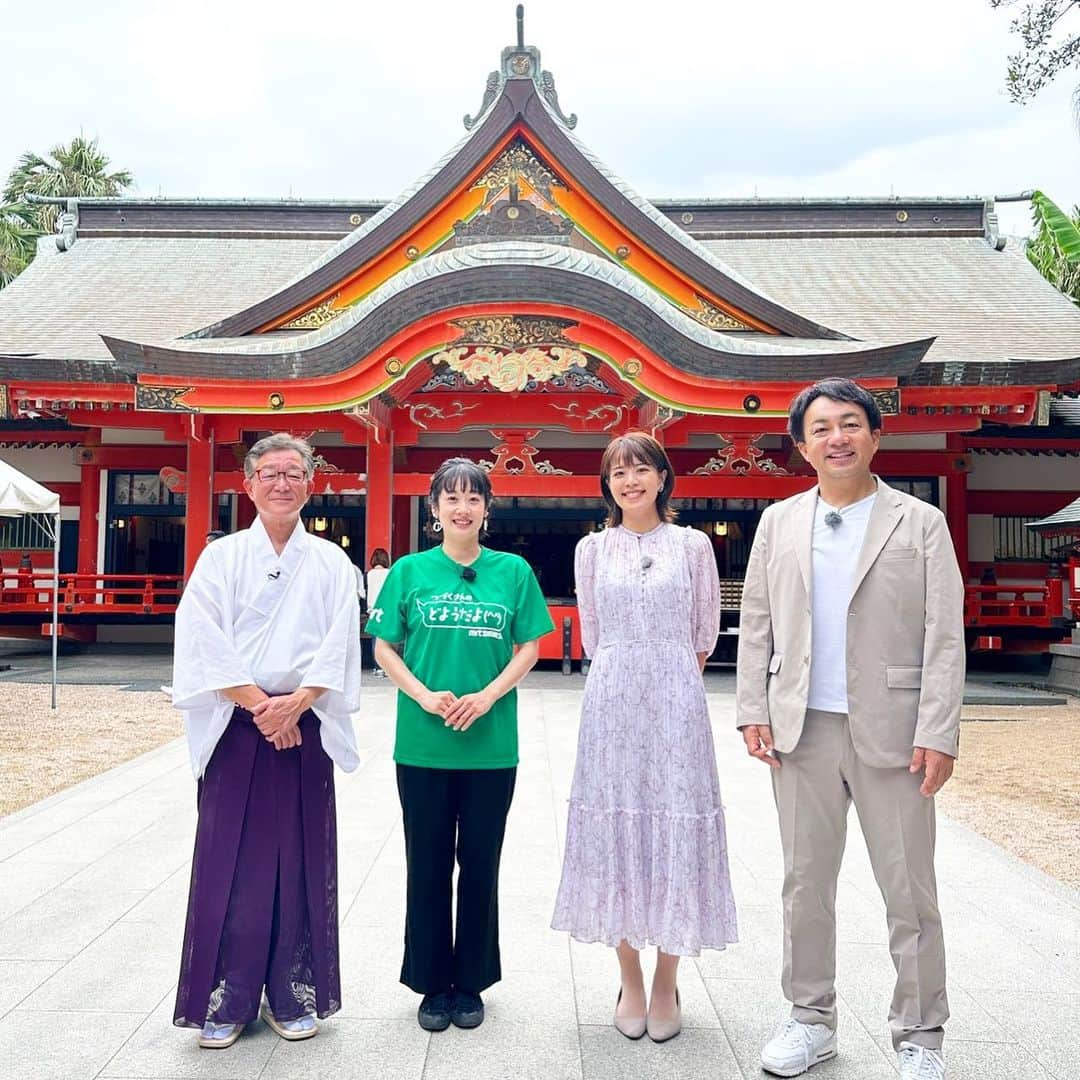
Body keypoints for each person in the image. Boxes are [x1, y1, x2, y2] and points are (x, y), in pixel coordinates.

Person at [736, 379, 964, 1080]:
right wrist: (754, 708)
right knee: (804, 884)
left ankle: (920, 1035)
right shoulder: (779, 522)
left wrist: (940, 729)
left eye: (851, 424)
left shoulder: (917, 522)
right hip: (802, 727)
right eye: (823, 428)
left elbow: (943, 633)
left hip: (894, 729)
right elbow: (757, 623)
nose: (838, 438)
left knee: (908, 890)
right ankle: (810, 1019)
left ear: (874, 435)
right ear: (802, 445)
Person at [171, 433, 362, 1049]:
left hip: (301, 725)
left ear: (312, 483)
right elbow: (203, 636)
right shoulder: (221, 558)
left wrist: (297, 703)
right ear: (248, 484)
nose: (282, 483)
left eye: (294, 473)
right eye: (270, 472)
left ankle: (290, 992)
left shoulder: (333, 561)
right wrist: (258, 706)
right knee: (230, 863)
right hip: (237, 723)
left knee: (300, 859)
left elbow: (339, 641)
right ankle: (225, 998)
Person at [551, 432, 738, 1043]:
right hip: (611, 698)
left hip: (675, 694)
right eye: (618, 472)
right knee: (616, 829)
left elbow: (704, 632)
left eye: (641, 469)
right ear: (607, 485)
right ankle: (630, 976)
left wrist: (664, 673)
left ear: (663, 477)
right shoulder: (591, 550)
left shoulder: (692, 547)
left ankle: (667, 980)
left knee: (674, 822)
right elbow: (593, 632)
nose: (630, 481)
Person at [367, 458, 554, 1033]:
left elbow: (529, 647)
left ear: (487, 509)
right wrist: (424, 695)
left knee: (480, 865)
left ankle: (470, 982)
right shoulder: (408, 571)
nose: (462, 508)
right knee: (426, 864)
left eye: (474, 498)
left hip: (490, 747)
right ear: (434, 509)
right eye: (451, 498)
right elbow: (384, 648)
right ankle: (430, 983)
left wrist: (487, 696)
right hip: (423, 745)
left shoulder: (513, 571)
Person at [366, 548, 391, 676]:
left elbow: (369, 592)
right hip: (386, 607)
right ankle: (386, 667)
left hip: (373, 609)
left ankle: (377, 667)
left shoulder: (370, 574)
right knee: (385, 638)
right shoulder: (389, 573)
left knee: (374, 638)